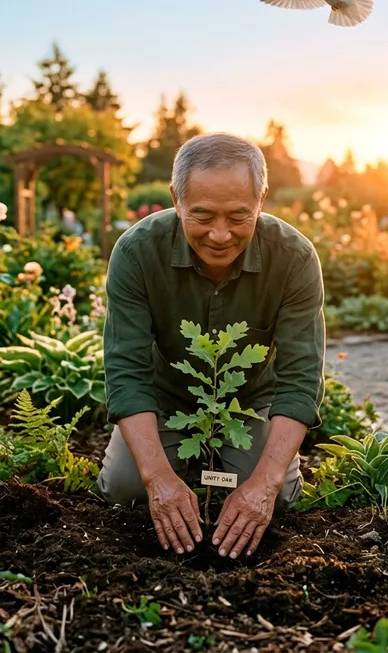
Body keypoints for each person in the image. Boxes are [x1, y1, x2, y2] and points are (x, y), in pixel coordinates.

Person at [97, 132, 325, 561]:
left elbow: (300, 380)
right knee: (125, 491)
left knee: (272, 502)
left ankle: (231, 472)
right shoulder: (137, 252)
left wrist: (265, 483)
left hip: (249, 403)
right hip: (164, 399)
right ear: (176, 199)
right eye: (201, 216)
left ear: (261, 199)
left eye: (239, 216)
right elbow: (126, 372)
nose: (220, 235)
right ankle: (175, 470)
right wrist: (157, 478)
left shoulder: (293, 258)